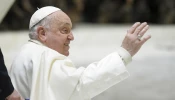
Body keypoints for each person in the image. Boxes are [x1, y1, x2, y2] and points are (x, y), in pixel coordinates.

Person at [10, 6, 151, 100]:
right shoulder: (45, 56)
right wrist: (124, 53)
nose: (71, 37)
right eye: (64, 30)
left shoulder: (26, 52)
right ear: (42, 33)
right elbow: (81, 85)